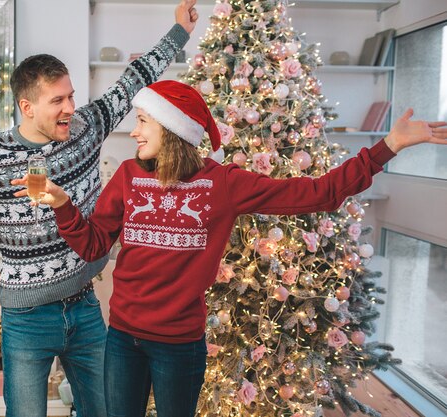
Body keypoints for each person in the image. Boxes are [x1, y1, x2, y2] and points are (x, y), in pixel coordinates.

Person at [27, 80, 447, 417]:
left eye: (142, 121)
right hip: (122, 338)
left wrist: (385, 147)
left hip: (177, 344)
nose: (134, 131)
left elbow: (320, 193)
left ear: (171, 128)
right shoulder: (127, 176)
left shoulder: (222, 184)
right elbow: (93, 244)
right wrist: (63, 206)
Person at [0, 3, 199, 416]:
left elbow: (133, 79)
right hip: (27, 319)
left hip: (85, 308)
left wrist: (179, 31)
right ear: (26, 107)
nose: (70, 107)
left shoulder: (86, 127)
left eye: (71, 96)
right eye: (57, 101)